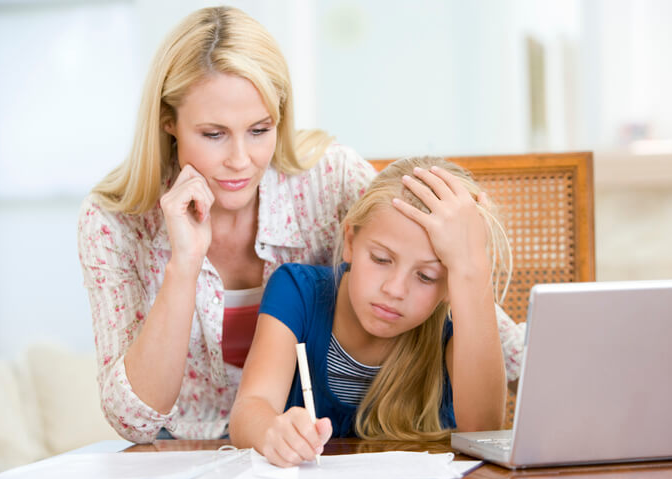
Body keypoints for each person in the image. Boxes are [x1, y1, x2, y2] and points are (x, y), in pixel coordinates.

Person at [78, 6, 523, 444]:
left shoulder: (332, 182)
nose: (240, 160)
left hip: (307, 454)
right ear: (168, 122)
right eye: (214, 134)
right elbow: (132, 423)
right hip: (183, 454)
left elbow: (493, 340)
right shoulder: (114, 224)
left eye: (259, 129)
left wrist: (469, 261)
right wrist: (184, 265)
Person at [229, 157, 512, 467]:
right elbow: (250, 410)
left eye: (426, 277)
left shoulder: (456, 327)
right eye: (380, 259)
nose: (395, 289)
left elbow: (484, 431)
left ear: (450, 287)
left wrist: (471, 269)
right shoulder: (299, 292)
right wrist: (271, 431)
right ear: (350, 240)